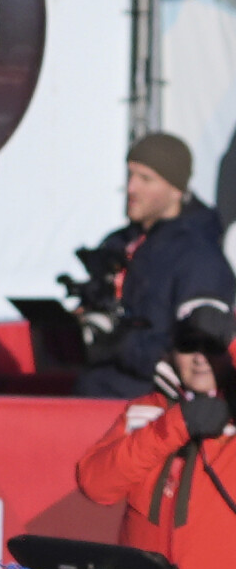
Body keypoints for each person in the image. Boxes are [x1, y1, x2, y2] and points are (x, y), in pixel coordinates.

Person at [76, 305, 236, 569]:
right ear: (171, 350)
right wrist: (177, 424)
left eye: (214, 345)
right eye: (188, 344)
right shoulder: (146, 411)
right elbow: (95, 484)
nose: (200, 357)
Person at [71, 134, 236, 399]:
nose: (131, 188)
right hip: (92, 394)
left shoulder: (199, 257)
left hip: (150, 408)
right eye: (130, 175)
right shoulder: (118, 243)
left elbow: (200, 350)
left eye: (146, 179)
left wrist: (117, 342)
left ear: (176, 189)